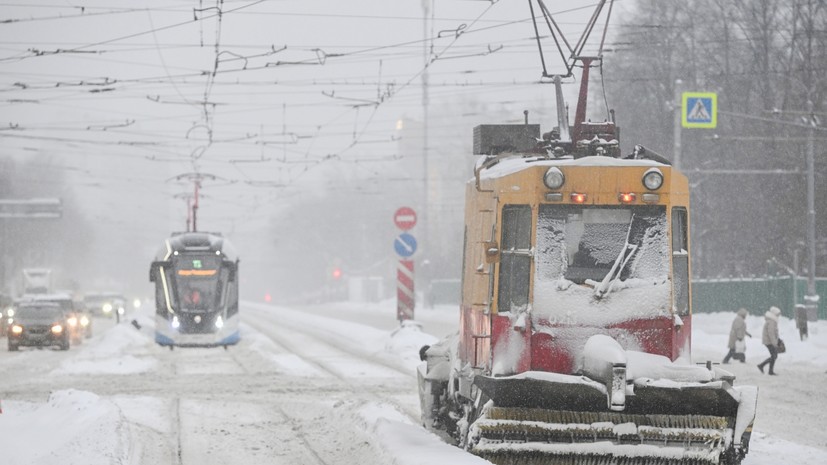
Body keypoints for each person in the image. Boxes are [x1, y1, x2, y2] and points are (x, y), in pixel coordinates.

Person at [757, 306, 782, 375]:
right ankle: (762, 366)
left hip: (769, 341)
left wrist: (777, 339)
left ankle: (769, 370)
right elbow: (771, 333)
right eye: (778, 314)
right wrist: (774, 343)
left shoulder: (772, 321)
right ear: (775, 314)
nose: (779, 316)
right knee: (774, 356)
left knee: (774, 355)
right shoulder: (771, 321)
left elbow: (773, 333)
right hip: (769, 341)